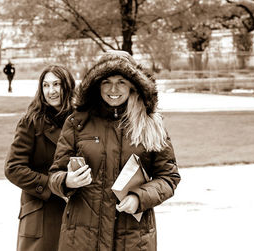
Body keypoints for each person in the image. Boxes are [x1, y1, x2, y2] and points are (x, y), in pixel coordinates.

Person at [48, 50, 180, 251]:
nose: (113, 89)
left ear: (133, 86)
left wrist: (139, 198)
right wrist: (67, 181)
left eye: (121, 82)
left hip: (133, 239)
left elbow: (169, 177)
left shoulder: (151, 123)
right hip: (81, 238)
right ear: (96, 84)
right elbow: (54, 175)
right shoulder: (77, 122)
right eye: (106, 82)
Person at [5, 65, 76, 251]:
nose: (51, 91)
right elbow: (13, 168)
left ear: (67, 86)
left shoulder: (82, 121)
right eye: (45, 85)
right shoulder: (31, 121)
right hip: (41, 211)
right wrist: (54, 186)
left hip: (76, 213)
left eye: (56, 84)